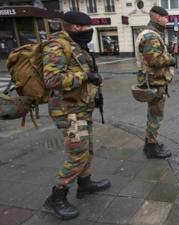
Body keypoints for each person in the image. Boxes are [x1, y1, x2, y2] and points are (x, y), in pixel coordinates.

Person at [42, 11, 111, 220]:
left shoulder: (76, 45)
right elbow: (52, 79)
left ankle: (85, 184)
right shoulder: (57, 46)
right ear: (72, 27)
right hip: (67, 111)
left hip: (80, 108)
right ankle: (56, 197)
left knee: (87, 149)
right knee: (77, 154)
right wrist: (85, 76)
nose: (89, 31)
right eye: (85, 28)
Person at [135, 6, 175, 158]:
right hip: (154, 82)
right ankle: (151, 147)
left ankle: (150, 143)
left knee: (152, 114)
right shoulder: (151, 36)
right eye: (166, 17)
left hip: (152, 81)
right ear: (158, 17)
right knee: (155, 115)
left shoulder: (150, 33)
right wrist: (170, 59)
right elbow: (154, 61)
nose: (167, 20)